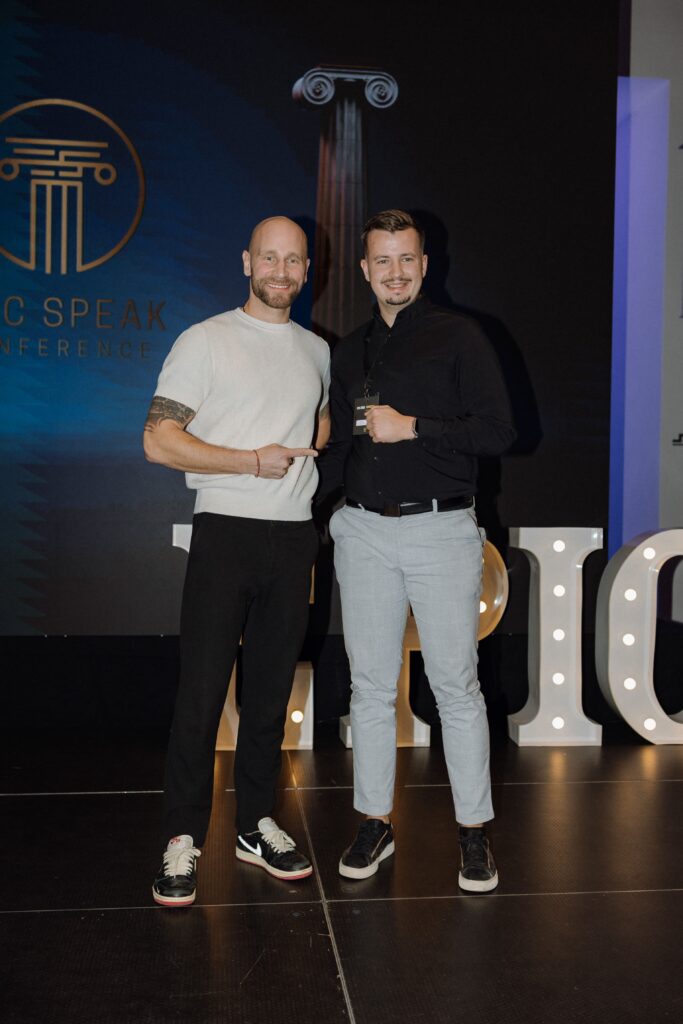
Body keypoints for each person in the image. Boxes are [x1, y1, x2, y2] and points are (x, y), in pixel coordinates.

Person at [321, 209, 515, 892]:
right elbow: (340, 448)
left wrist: (415, 428)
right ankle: (374, 822)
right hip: (364, 532)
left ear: (424, 265)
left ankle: (473, 833)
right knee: (370, 689)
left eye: (406, 259)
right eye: (382, 260)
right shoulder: (348, 351)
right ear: (365, 269)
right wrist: (305, 503)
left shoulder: (460, 336)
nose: (395, 272)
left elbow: (499, 430)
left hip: (441, 530)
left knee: (456, 686)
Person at [143, 216, 330, 906]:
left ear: (306, 269)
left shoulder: (317, 350)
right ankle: (181, 837)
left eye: (294, 260)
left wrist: (308, 441)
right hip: (225, 530)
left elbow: (318, 419)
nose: (281, 271)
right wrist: (252, 460)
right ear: (247, 262)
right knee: (200, 695)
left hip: (293, 538)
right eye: (269, 258)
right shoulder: (206, 340)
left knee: (270, 697)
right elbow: (158, 440)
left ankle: (255, 824)